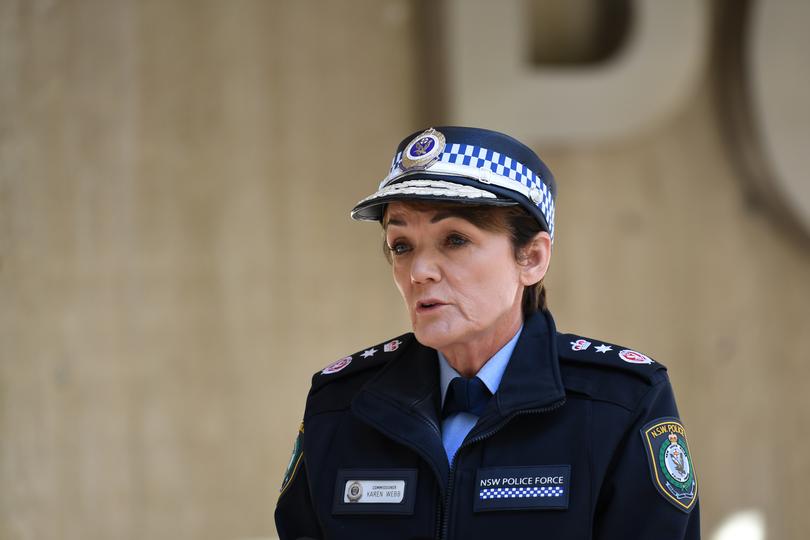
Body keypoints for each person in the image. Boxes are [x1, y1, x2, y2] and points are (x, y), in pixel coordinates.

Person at [274, 127, 700, 539]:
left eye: (455, 239)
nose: (419, 272)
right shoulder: (340, 405)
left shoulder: (620, 403)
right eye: (401, 245)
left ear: (531, 258)